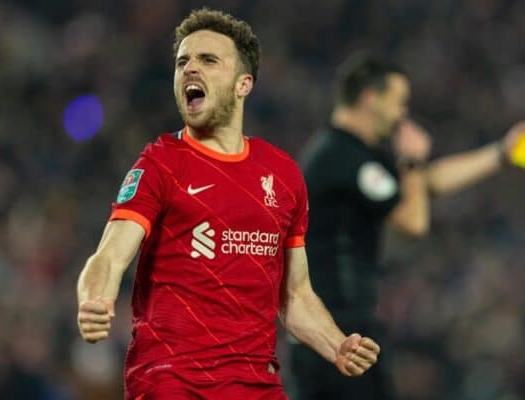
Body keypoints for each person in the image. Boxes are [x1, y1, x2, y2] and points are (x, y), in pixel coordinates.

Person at [76, 9, 380, 400]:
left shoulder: (282, 175)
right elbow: (110, 255)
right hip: (172, 379)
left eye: (208, 60)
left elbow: (296, 297)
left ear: (243, 84)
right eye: (182, 61)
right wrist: (94, 299)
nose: (189, 69)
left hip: (256, 383)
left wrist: (337, 345)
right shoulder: (161, 163)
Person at [292, 53, 525, 400]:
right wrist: (412, 159)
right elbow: (413, 221)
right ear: (371, 98)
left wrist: (500, 154)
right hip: (336, 331)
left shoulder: (349, 153)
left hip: (334, 334)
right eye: (399, 102)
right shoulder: (343, 159)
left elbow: (424, 185)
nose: (403, 113)